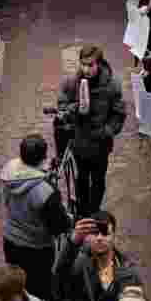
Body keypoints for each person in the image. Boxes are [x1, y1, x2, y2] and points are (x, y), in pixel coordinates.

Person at [0, 134, 72, 301]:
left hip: (10, 242)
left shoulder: (10, 175)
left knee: (17, 286)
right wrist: (68, 219)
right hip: (36, 250)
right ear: (43, 156)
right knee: (39, 292)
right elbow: (59, 226)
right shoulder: (45, 191)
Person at [57, 45, 126, 216]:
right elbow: (62, 108)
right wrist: (74, 110)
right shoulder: (71, 83)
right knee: (81, 178)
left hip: (100, 145)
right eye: (83, 64)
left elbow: (119, 114)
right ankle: (81, 211)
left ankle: (94, 212)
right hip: (79, 143)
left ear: (99, 64)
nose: (86, 69)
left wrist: (107, 131)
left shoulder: (112, 85)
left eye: (90, 65)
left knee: (98, 180)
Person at [54, 212, 141, 301]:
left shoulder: (128, 273)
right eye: (95, 233)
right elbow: (59, 274)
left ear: (114, 237)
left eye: (105, 233)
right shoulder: (78, 263)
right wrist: (73, 241)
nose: (99, 238)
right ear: (88, 237)